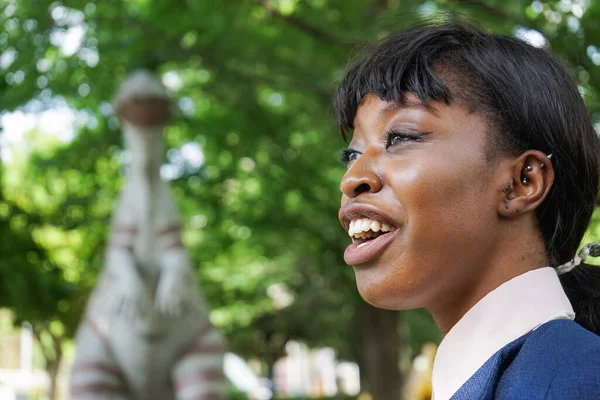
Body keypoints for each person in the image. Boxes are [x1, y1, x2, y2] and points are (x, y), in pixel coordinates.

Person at [334, 22, 600, 399]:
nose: (352, 178)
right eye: (352, 154)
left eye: (401, 137)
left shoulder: (576, 382)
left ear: (523, 182)